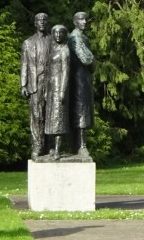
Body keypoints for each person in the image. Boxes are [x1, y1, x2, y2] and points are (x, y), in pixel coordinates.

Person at [20, 13, 52, 158]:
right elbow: (24, 64)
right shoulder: (28, 43)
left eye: (45, 20)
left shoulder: (53, 40)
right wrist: (23, 85)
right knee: (36, 115)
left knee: (50, 114)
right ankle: (37, 146)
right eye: (39, 20)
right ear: (35, 23)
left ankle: (50, 146)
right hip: (35, 83)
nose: (42, 22)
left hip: (51, 83)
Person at [68, 12, 94, 159]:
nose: (84, 22)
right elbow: (86, 59)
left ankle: (78, 145)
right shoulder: (75, 37)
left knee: (84, 109)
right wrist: (93, 60)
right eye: (81, 19)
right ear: (75, 21)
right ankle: (81, 146)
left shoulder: (82, 37)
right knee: (81, 110)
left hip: (84, 78)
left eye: (85, 19)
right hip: (78, 79)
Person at [44, 25, 71, 159]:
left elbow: (66, 72)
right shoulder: (53, 49)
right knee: (51, 119)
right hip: (51, 87)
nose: (58, 35)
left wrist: (62, 90)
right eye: (56, 33)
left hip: (59, 86)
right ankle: (51, 148)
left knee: (59, 119)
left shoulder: (65, 51)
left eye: (61, 33)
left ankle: (57, 150)